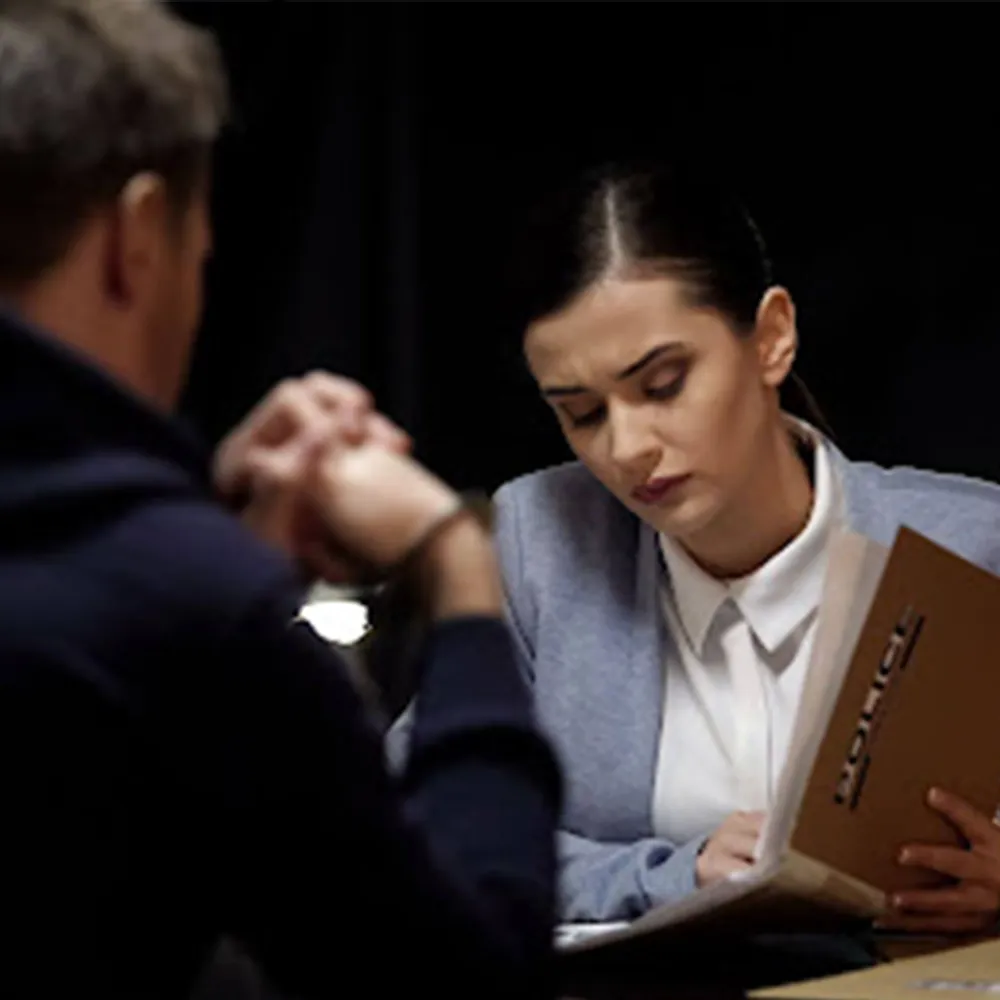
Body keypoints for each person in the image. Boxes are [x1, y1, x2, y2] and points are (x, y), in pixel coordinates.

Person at [0, 2, 560, 997]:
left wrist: (202, 531)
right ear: (136, 236)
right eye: (200, 254)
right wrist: (459, 565)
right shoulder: (188, 611)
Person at [388, 162, 1000, 939]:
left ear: (772, 338)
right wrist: (670, 876)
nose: (626, 448)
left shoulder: (973, 544)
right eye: (581, 414)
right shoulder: (539, 540)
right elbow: (420, 814)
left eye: (663, 384)